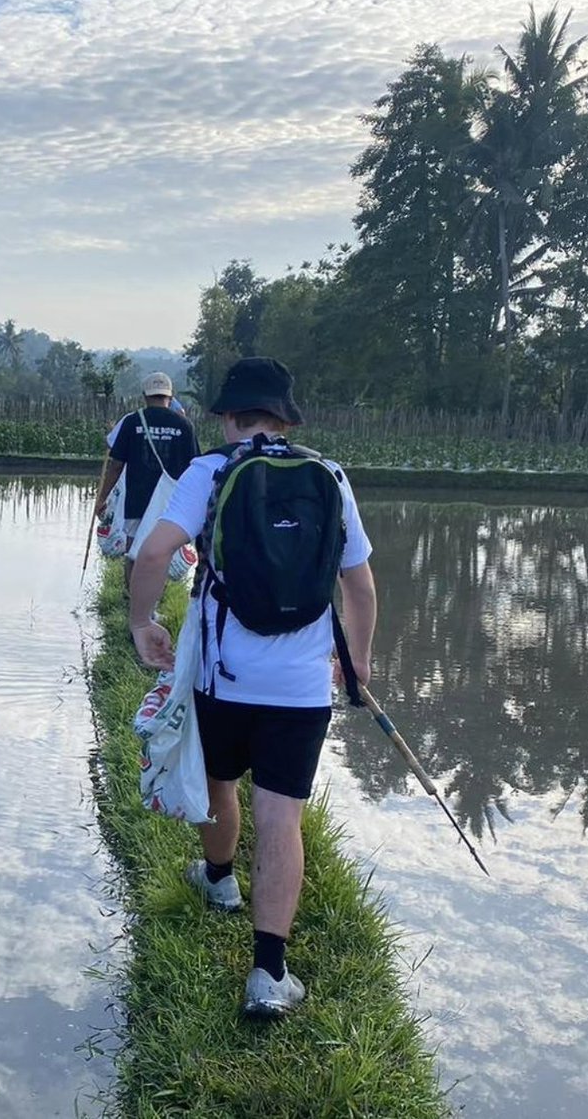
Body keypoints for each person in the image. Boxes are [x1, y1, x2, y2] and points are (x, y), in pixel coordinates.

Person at [127, 356, 377, 1019]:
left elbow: (154, 555)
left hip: (223, 677)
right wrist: (357, 661)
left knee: (219, 783)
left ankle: (219, 879)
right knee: (282, 813)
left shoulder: (209, 472)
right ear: (285, 418)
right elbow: (359, 585)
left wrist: (140, 622)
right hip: (300, 687)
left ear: (229, 418)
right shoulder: (330, 475)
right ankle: (269, 974)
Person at [94, 371, 199, 588]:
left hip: (137, 498)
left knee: (133, 550)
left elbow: (115, 466)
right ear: (170, 396)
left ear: (145, 395)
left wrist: (102, 498)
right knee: (162, 551)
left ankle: (132, 598)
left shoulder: (132, 422)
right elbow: (194, 469)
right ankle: (152, 601)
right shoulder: (184, 425)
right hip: (172, 502)